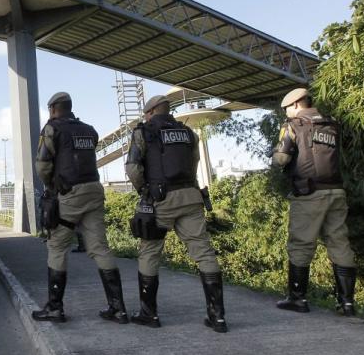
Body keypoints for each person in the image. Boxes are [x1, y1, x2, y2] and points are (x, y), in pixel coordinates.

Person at [125, 95, 227, 333]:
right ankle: (217, 317)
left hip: (161, 199)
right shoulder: (187, 133)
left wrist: (145, 190)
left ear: (150, 112)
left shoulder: (143, 132)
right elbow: (195, 161)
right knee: (203, 252)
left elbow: (132, 168)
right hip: (191, 196)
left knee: (149, 252)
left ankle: (149, 314)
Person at [32, 92, 128, 324]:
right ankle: (118, 309)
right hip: (94, 191)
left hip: (69, 194)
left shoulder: (52, 129)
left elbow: (43, 164)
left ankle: (55, 308)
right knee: (100, 248)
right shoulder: (89, 130)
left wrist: (50, 185)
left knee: (56, 246)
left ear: (53, 109)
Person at [271, 88, 357, 316]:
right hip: (336, 191)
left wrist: (275, 154)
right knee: (339, 243)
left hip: (309, 193)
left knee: (301, 243)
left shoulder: (293, 125)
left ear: (297, 104)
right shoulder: (332, 124)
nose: (287, 113)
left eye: (287, 108)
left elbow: (281, 158)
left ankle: (297, 299)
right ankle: (346, 303)